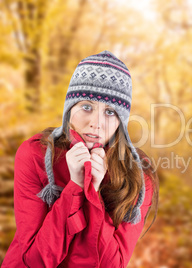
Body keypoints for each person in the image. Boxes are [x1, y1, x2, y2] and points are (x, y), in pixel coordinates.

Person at [2, 50, 159, 267]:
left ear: (121, 121)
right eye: (86, 107)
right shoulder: (35, 154)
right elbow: (35, 259)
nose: (96, 123)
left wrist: (93, 192)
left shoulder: (138, 175)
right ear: (69, 109)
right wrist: (75, 187)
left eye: (110, 112)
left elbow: (113, 264)